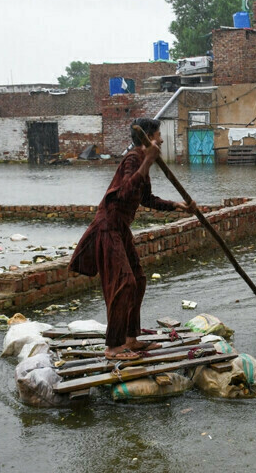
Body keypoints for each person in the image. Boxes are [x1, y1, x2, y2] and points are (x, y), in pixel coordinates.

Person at [68, 118, 196, 360]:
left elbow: (146, 199)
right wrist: (147, 161)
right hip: (108, 227)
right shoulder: (134, 159)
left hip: (121, 228)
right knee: (124, 282)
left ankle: (130, 338)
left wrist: (178, 206)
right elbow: (125, 190)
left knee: (138, 278)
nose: (161, 140)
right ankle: (113, 347)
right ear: (148, 138)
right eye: (158, 135)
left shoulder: (142, 162)